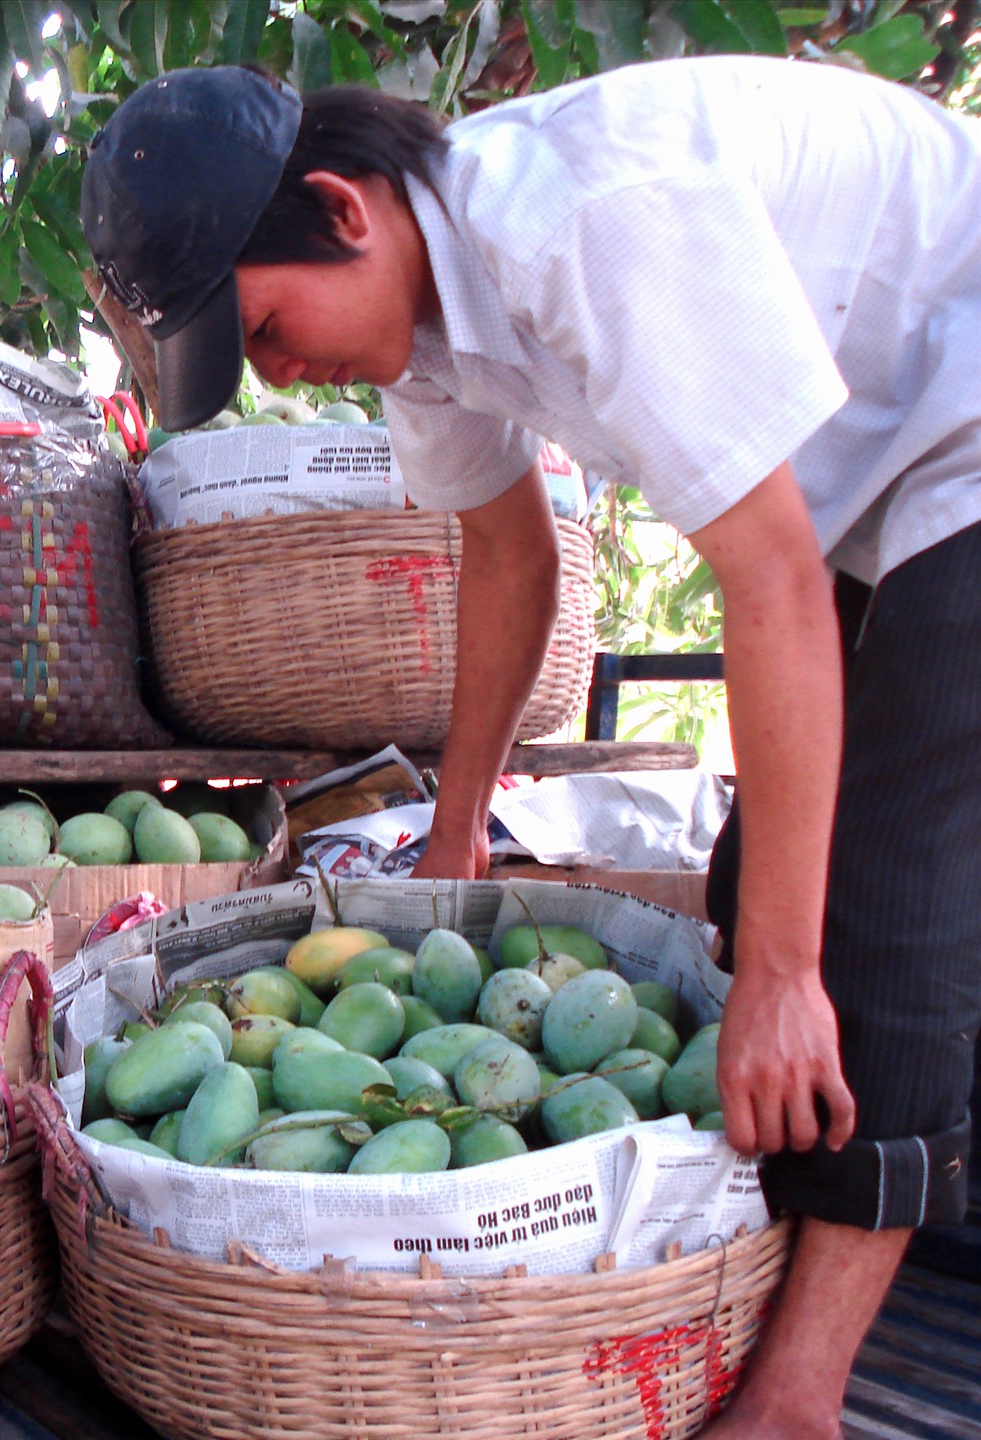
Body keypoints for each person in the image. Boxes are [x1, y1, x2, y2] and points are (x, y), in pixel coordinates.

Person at [82, 56, 981, 1439]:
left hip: (964, 426)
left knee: (879, 915)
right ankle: (761, 1281)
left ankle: (802, 1400)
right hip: (876, 476)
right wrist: (455, 839)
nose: (276, 374)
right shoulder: (422, 329)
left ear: (340, 208)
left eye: (262, 330)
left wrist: (797, 976)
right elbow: (510, 563)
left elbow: (775, 586)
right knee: (758, 905)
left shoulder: (582, 222)